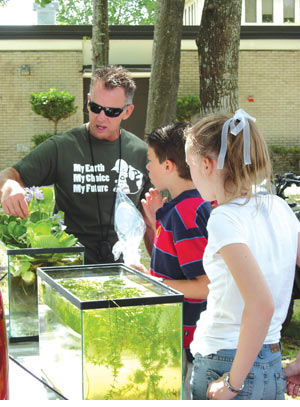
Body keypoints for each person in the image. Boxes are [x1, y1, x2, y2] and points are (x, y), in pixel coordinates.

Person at [184, 108, 300, 400]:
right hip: (270, 361)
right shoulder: (280, 207)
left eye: (190, 166)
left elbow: (261, 304)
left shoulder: (224, 218)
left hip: (226, 365)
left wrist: (232, 384)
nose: (191, 176)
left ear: (208, 165)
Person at [0, 65, 152, 264]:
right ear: (88, 101)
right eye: (95, 108)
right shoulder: (61, 147)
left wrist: (159, 270)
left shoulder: (142, 153)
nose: (101, 117)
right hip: (68, 263)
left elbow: (149, 219)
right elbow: (10, 174)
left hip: (124, 265)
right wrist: (10, 186)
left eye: (111, 111)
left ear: (127, 111)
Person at [132, 122, 211, 400]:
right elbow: (177, 263)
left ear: (168, 166)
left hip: (188, 339)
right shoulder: (187, 206)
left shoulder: (184, 214)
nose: (147, 168)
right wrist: (156, 223)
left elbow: (204, 285)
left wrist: (154, 283)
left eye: (150, 161)